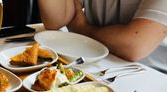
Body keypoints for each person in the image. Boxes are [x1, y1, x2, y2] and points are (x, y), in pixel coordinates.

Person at [38, 0, 167, 73]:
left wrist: (82, 29)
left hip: (149, 74)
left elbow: (135, 46)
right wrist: (79, 27)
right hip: (93, 64)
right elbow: (57, 19)